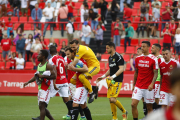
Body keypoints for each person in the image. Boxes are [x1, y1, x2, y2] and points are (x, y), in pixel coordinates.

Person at [96, 42, 128, 120]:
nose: (106, 49)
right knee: (111, 100)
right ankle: (114, 118)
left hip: (117, 80)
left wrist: (113, 76)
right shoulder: (110, 57)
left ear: (112, 48)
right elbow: (111, 69)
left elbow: (121, 69)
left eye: (108, 48)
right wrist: (103, 76)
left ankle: (124, 112)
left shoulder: (119, 57)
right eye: (106, 48)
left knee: (112, 99)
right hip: (111, 81)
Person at [23, 50, 56, 120]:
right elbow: (36, 76)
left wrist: (43, 76)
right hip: (40, 88)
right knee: (41, 107)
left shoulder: (48, 65)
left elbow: (54, 76)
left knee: (42, 106)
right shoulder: (39, 65)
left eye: (39, 54)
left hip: (46, 88)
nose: (37, 56)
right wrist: (28, 82)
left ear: (43, 56)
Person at [131, 41, 158, 120]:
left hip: (148, 87)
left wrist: (152, 84)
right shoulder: (138, 58)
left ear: (148, 47)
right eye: (141, 46)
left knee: (149, 107)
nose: (142, 48)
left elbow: (155, 73)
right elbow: (136, 72)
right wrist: (133, 84)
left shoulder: (154, 59)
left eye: (144, 46)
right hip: (138, 86)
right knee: (133, 104)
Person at [48, 46, 73, 120]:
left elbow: (54, 69)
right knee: (66, 99)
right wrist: (64, 76)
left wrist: (54, 82)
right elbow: (65, 67)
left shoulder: (51, 59)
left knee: (45, 99)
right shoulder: (62, 58)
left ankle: (41, 116)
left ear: (50, 52)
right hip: (64, 81)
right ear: (56, 51)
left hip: (57, 82)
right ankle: (73, 115)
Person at [64, 47, 88, 120]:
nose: (67, 55)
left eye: (68, 54)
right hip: (72, 82)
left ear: (72, 53)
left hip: (74, 83)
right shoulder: (67, 59)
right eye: (66, 54)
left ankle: (82, 116)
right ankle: (70, 114)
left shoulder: (77, 60)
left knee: (76, 101)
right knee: (73, 99)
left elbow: (85, 68)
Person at [151, 43, 163, 110]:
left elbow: (163, 72)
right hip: (153, 81)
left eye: (152, 48)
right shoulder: (153, 58)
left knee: (157, 98)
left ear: (157, 49)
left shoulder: (160, 59)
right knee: (152, 99)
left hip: (157, 81)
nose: (151, 49)